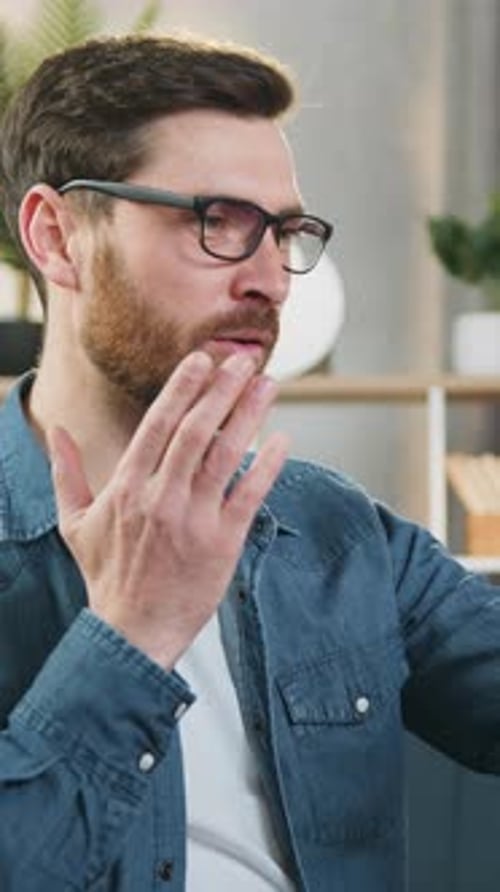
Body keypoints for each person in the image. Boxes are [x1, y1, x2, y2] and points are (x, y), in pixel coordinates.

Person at [0, 32, 499, 892]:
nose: (271, 279)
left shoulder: (338, 533)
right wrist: (131, 635)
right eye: (217, 222)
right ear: (57, 236)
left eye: (285, 231)